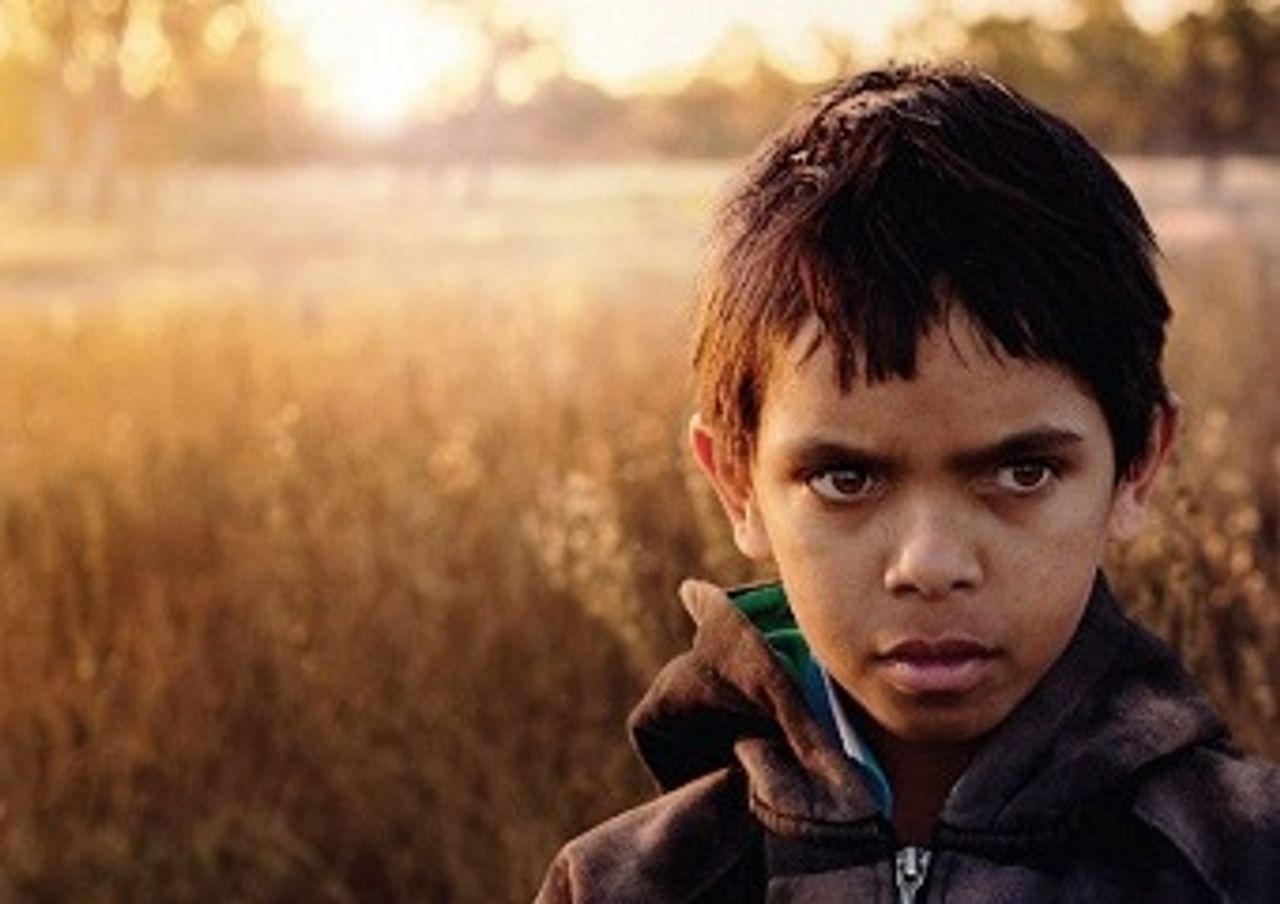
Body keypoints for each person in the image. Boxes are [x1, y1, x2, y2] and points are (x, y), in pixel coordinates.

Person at [536, 62, 1278, 902]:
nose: (929, 564)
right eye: (845, 478)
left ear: (1137, 465)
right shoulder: (627, 884)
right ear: (738, 485)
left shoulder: (1247, 864)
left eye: (1022, 471)